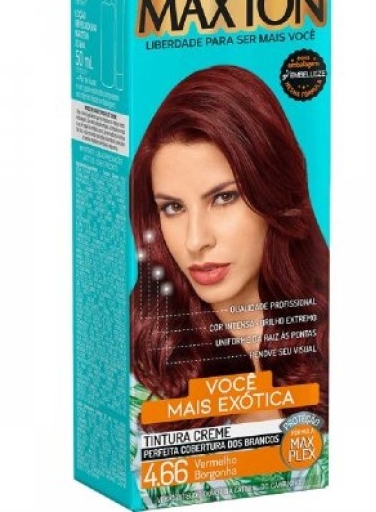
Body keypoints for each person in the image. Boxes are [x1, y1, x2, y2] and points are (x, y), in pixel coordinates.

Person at [130, 65, 328, 432]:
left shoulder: (331, 341)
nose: (195, 240)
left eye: (223, 198)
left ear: (274, 194)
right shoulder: (138, 377)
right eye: (173, 207)